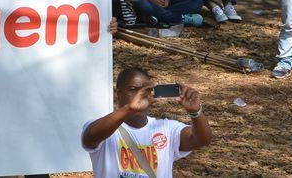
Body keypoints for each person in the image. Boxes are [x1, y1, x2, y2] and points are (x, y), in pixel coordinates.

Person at [82, 68, 211, 178]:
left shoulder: (166, 128)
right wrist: (129, 109)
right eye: (133, 89)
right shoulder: (105, 127)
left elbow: (201, 140)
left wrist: (196, 112)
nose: (140, 95)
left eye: (145, 91)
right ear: (117, 94)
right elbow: (91, 136)